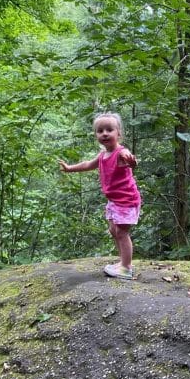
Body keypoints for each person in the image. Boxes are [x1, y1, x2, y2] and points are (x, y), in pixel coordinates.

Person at [59, 112, 141, 279]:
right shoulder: (103, 154)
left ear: (118, 133)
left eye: (109, 129)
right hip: (114, 200)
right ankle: (122, 262)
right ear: (96, 135)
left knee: (122, 233)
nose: (104, 133)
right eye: (100, 130)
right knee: (113, 230)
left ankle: (126, 268)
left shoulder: (120, 152)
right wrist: (69, 168)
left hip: (126, 200)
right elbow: (88, 164)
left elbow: (129, 159)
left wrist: (132, 162)